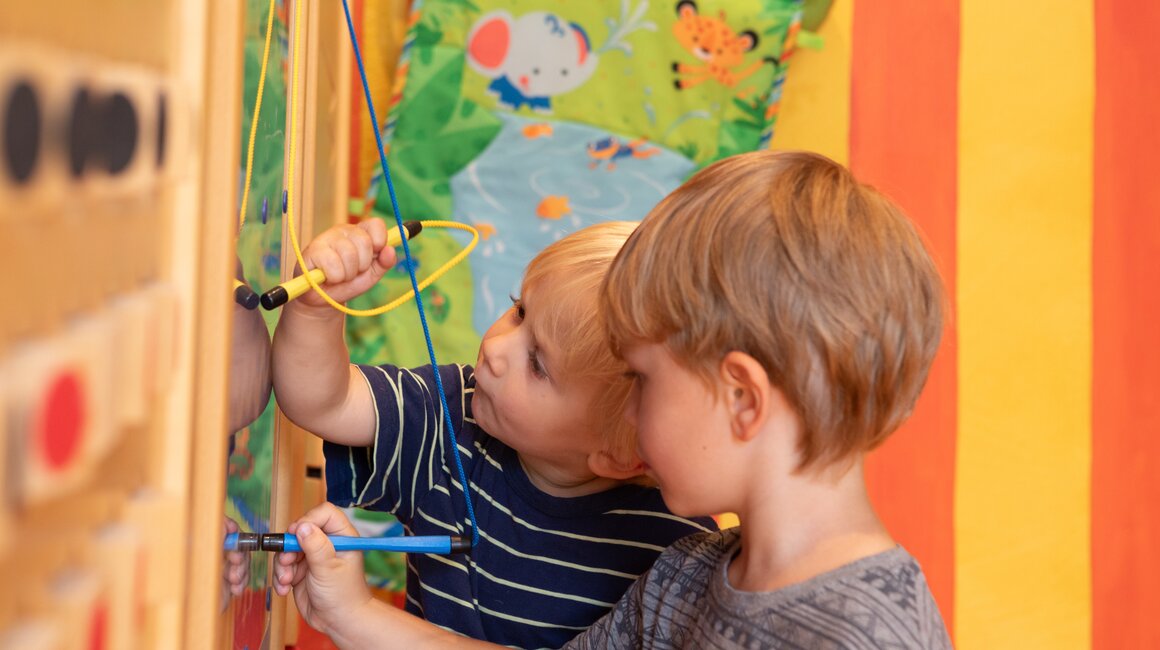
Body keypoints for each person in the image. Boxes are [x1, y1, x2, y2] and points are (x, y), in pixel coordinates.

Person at [273, 149, 954, 649]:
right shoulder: (686, 577)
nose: (629, 417)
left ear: (742, 398)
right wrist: (351, 614)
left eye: (643, 379)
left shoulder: (872, 635)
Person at [270, 220, 716, 648]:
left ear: (618, 456)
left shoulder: (675, 556)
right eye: (519, 310)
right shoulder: (455, 410)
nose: (496, 347)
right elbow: (323, 402)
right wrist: (315, 309)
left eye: (538, 365)